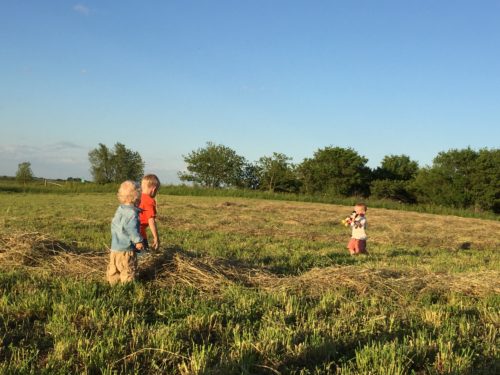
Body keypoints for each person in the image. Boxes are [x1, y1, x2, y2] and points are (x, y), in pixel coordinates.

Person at [106, 180, 144, 285]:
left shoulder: (120, 209)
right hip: (126, 248)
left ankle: (113, 282)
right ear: (136, 197)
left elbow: (115, 224)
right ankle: (127, 285)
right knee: (128, 268)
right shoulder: (132, 213)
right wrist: (138, 241)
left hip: (115, 247)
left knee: (114, 267)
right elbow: (131, 229)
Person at [139, 174, 161, 250]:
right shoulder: (149, 201)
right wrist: (156, 237)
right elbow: (151, 220)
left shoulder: (137, 198)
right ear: (154, 189)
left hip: (128, 230)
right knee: (143, 257)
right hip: (139, 234)